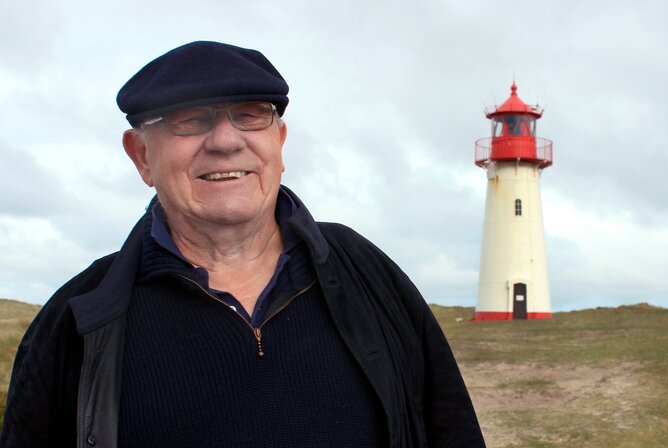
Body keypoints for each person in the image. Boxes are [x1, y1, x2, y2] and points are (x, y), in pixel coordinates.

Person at [0, 41, 485, 448]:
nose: (226, 141)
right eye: (191, 119)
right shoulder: (76, 321)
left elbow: (451, 428)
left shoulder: (367, 274)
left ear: (280, 141)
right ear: (141, 155)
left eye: (250, 115)